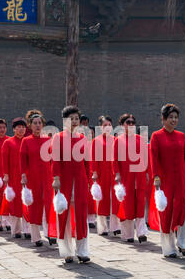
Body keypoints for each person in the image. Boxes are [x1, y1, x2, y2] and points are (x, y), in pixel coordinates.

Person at [149, 104, 185, 258]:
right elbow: (153, 158)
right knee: (167, 213)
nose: (174, 120)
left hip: (181, 179)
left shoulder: (181, 136)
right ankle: (169, 248)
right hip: (165, 180)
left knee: (183, 211)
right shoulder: (156, 136)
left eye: (176, 117)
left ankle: (183, 243)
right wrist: (156, 177)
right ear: (163, 119)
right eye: (171, 117)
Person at [51, 105, 91, 264]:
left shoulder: (82, 138)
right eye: (71, 118)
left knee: (81, 216)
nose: (74, 121)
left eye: (76, 118)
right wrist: (56, 178)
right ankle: (67, 251)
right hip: (64, 181)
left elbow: (87, 162)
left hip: (80, 181)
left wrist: (88, 179)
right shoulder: (58, 137)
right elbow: (55, 159)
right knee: (64, 216)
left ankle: (82, 251)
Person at [21, 113, 57, 246]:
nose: (37, 125)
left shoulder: (48, 139)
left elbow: (53, 159)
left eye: (39, 123)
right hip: (32, 177)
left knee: (49, 204)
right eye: (34, 123)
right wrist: (23, 175)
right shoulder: (26, 141)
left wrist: (55, 175)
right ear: (30, 125)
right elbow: (23, 160)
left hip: (47, 176)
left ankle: (50, 233)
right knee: (34, 206)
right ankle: (36, 237)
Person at [113, 113, 149, 244]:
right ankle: (127, 234)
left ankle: (141, 232)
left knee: (140, 203)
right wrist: (117, 173)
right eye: (128, 122)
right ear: (122, 125)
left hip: (139, 176)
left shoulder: (140, 139)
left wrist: (146, 171)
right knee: (127, 205)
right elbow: (115, 159)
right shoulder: (118, 140)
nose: (131, 124)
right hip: (126, 176)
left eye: (133, 122)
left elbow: (145, 157)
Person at [0, 117, 31, 240]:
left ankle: (28, 230)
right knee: (15, 203)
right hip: (13, 177)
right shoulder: (8, 142)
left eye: (23, 127)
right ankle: (16, 230)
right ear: (13, 129)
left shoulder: (28, 141)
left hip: (27, 176)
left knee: (27, 202)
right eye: (18, 127)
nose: (21, 129)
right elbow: (4, 160)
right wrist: (6, 174)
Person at [91, 116, 120, 236]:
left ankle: (115, 226)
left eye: (109, 125)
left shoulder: (116, 140)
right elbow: (93, 158)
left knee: (115, 200)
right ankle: (102, 227)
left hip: (114, 173)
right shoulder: (96, 141)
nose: (107, 127)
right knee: (102, 200)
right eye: (104, 125)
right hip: (101, 173)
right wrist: (94, 173)